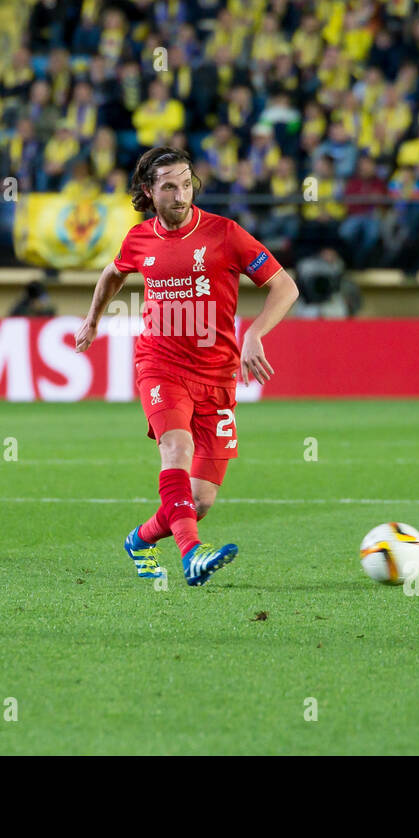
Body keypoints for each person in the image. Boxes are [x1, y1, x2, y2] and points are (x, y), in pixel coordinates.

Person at [74, 147, 299, 587]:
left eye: (186, 182)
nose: (181, 194)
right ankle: (192, 555)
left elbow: (284, 286)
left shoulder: (226, 233)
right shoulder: (139, 239)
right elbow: (112, 274)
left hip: (217, 375)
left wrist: (254, 334)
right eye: (170, 186)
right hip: (160, 364)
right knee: (174, 450)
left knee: (198, 502)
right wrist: (92, 319)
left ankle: (140, 540)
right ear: (149, 191)